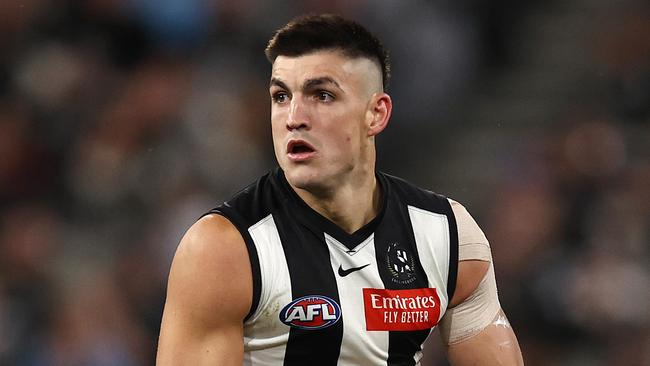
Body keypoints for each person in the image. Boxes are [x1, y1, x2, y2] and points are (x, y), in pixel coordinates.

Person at [156, 14, 524, 366]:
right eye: (281, 96)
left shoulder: (448, 235)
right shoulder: (225, 248)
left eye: (322, 95)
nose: (294, 117)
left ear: (376, 114)